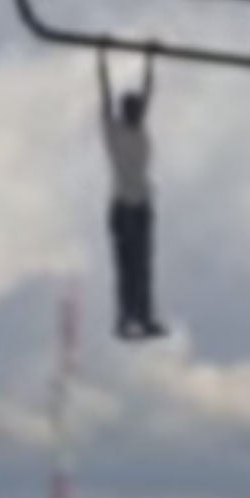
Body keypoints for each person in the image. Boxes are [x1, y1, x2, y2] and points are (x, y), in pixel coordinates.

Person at [98, 45, 165, 340]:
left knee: (144, 265)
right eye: (135, 110)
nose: (140, 113)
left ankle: (144, 316)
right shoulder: (114, 130)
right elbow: (105, 96)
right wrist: (101, 59)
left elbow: (149, 92)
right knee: (128, 266)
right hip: (123, 206)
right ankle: (125, 319)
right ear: (126, 112)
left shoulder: (139, 129)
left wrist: (149, 61)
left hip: (142, 205)